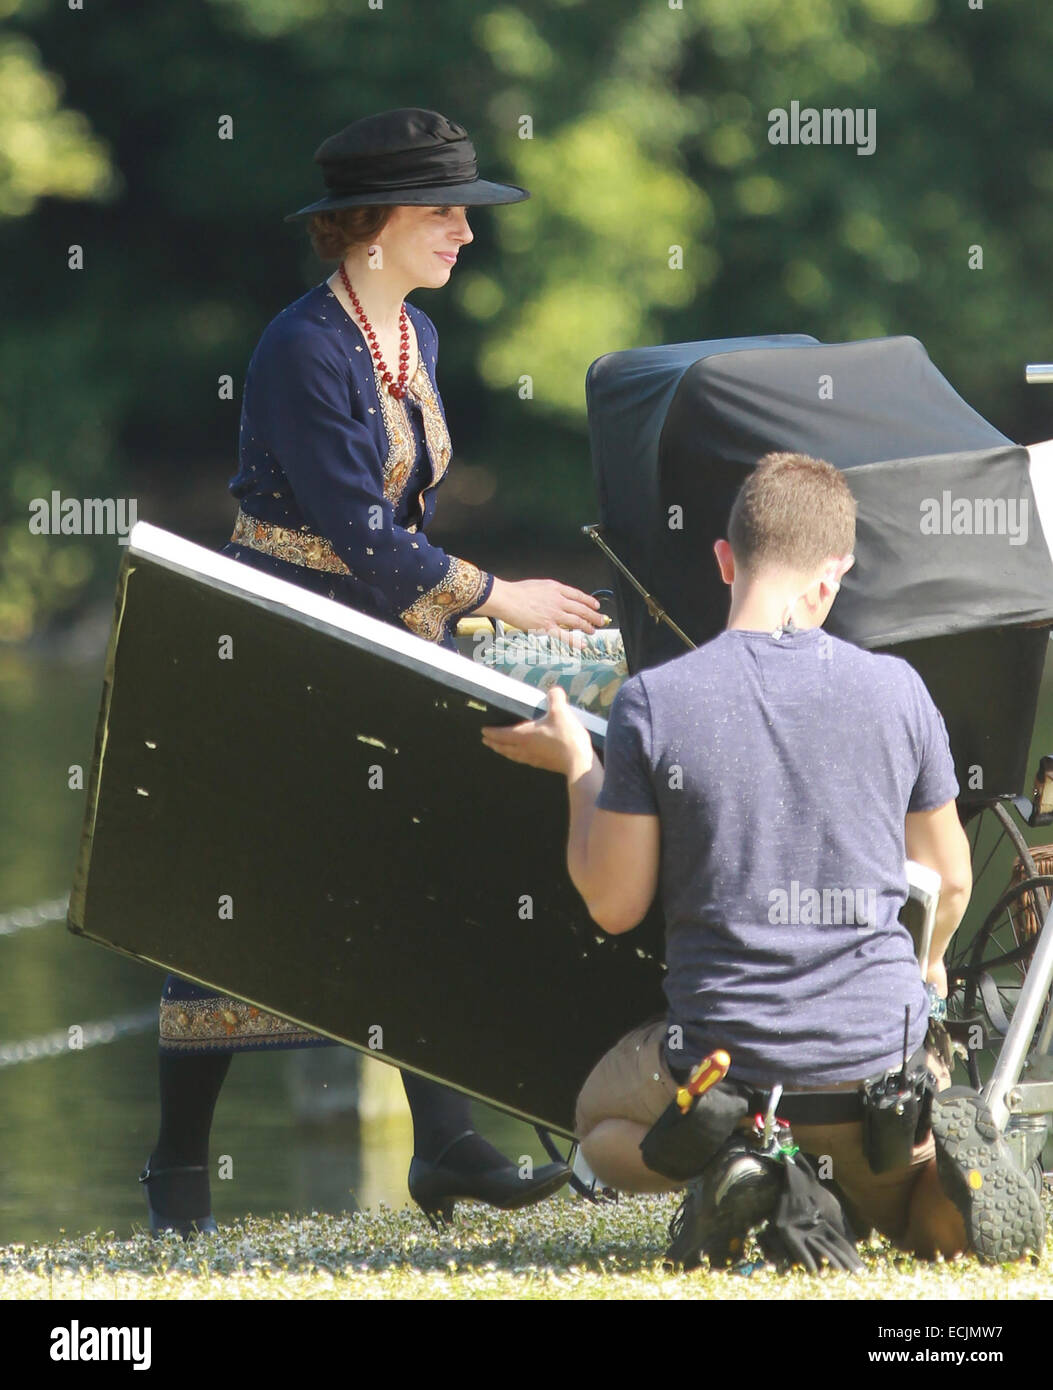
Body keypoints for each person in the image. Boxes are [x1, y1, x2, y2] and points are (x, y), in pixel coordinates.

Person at [140, 107, 604, 1237]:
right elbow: (360, 528)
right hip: (286, 643)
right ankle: (179, 1171)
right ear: (371, 228)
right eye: (443, 213)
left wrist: (452, 622)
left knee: (412, 866)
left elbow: (402, 523)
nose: (465, 235)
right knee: (237, 910)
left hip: (380, 635)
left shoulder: (417, 339)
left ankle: (441, 1143)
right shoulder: (303, 346)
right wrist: (500, 597)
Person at [481, 451, 1046, 1267]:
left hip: (725, 1074)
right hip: (871, 1071)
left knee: (598, 1130)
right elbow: (951, 878)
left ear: (722, 559)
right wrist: (925, 966)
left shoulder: (654, 702)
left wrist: (577, 764)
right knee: (896, 1189)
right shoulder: (898, 691)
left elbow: (612, 903)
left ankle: (734, 1165)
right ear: (833, 574)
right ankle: (924, 1177)